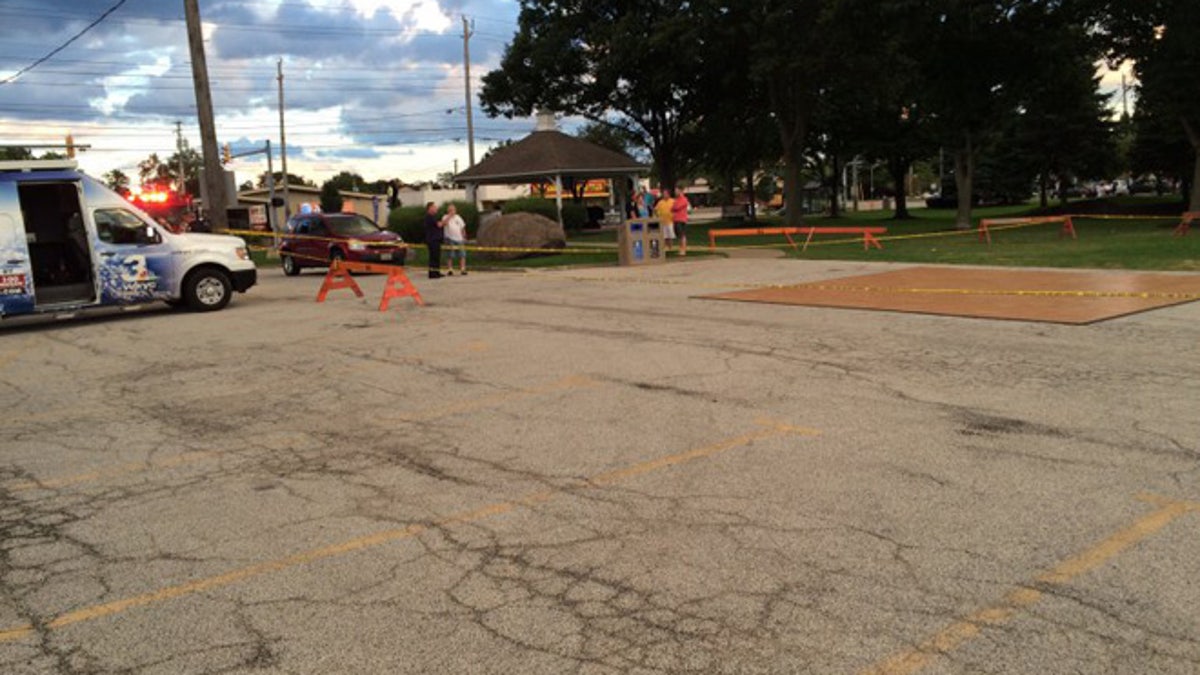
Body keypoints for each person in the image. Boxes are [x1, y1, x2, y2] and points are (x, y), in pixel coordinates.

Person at [440, 204, 468, 276]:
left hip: (459, 238)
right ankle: (450, 269)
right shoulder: (445, 217)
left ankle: (462, 269)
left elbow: (462, 227)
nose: (452, 211)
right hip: (449, 238)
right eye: (450, 210)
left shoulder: (458, 217)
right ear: (448, 211)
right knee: (450, 254)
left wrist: (464, 236)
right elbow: (444, 224)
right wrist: (449, 216)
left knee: (462, 254)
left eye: (453, 210)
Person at [424, 201, 444, 278]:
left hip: (435, 239)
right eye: (434, 207)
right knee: (434, 257)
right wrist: (449, 217)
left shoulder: (433, 217)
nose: (436, 209)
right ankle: (433, 273)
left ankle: (436, 272)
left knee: (436, 257)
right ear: (430, 208)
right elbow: (439, 225)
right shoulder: (429, 217)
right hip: (433, 240)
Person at [670, 186, 690, 256]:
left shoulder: (684, 199)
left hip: (681, 219)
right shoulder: (677, 199)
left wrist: (674, 207)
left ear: (680, 191)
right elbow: (672, 208)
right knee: (678, 235)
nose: (675, 192)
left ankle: (683, 250)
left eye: (676, 190)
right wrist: (674, 207)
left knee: (682, 235)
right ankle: (680, 249)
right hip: (675, 219)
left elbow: (676, 207)